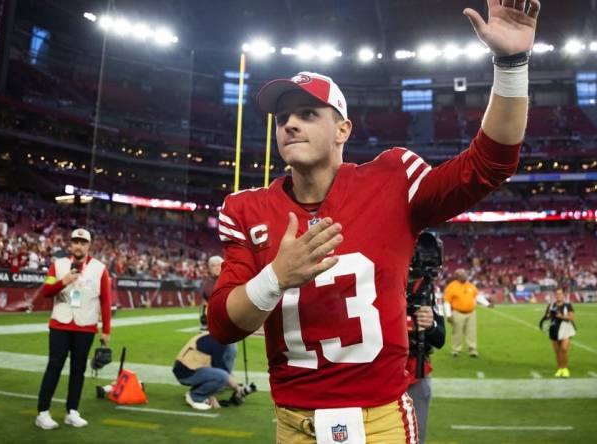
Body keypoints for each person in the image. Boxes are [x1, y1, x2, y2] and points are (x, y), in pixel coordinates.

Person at [207, 1, 540, 441]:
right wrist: (276, 277)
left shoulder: (392, 179)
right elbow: (223, 326)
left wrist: (511, 63)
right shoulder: (246, 209)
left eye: (308, 114)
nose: (289, 124)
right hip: (293, 421)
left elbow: (489, 165)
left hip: (380, 418)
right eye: (282, 117)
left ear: (342, 130)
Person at [34, 228, 112, 430]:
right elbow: (46, 292)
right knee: (54, 366)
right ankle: (42, 412)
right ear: (70, 244)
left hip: (86, 326)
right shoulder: (57, 265)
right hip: (60, 323)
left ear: (88, 245)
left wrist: (106, 330)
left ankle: (72, 411)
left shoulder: (99, 268)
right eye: (75, 242)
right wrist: (64, 281)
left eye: (83, 242)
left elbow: (105, 301)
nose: (79, 246)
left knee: (78, 370)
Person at [406, 304, 446, 444]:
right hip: (380, 372)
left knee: (416, 436)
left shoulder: (423, 292)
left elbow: (440, 339)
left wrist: (431, 326)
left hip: (416, 370)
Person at [172, 331, 241, 410]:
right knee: (223, 377)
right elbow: (219, 370)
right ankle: (195, 396)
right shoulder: (219, 341)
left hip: (185, 369)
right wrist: (236, 387)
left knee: (223, 375)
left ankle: (199, 391)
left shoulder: (211, 335)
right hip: (186, 374)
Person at [539, 288, 576, 378]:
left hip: (565, 329)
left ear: (563, 295)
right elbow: (547, 317)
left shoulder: (568, 305)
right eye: (557, 294)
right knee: (557, 351)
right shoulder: (551, 305)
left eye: (560, 294)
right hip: (554, 329)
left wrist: (562, 316)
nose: (558, 295)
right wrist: (548, 316)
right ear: (555, 295)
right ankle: (560, 368)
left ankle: (565, 368)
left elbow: (572, 318)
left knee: (564, 349)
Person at [444, 269, 481, 357]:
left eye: (465, 274)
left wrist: (487, 304)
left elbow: (477, 296)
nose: (465, 276)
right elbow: (447, 302)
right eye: (462, 274)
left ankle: (473, 350)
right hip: (457, 312)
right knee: (457, 332)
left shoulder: (470, 285)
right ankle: (456, 350)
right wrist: (448, 315)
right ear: (457, 277)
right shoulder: (451, 286)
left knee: (471, 332)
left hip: (471, 313)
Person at [199, 256, 223, 330]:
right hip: (211, 318)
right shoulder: (206, 283)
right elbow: (204, 300)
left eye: (219, 265)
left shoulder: (229, 280)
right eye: (213, 266)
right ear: (209, 268)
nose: (217, 268)